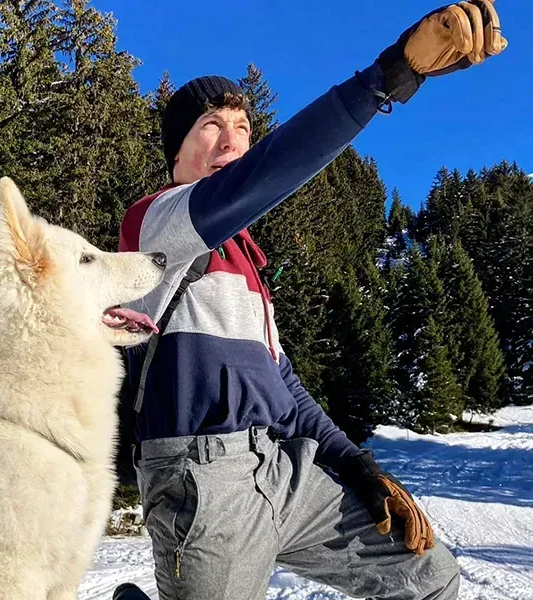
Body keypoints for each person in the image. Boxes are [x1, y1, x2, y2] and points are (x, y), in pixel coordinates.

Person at [112, 2, 507, 599]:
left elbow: (285, 392)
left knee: (427, 578)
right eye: (211, 126)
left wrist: (356, 465)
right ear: (176, 151)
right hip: (203, 476)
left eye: (244, 128)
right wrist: (390, 75)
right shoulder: (156, 223)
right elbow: (262, 177)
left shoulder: (250, 272)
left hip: (285, 473)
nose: (233, 139)